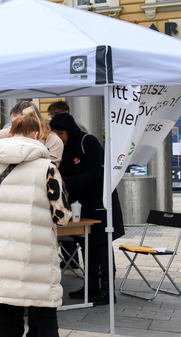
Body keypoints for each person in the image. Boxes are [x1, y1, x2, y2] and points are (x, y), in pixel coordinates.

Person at [0, 107, 72, 337]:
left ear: (8, 133)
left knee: (5, 320)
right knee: (45, 318)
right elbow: (62, 217)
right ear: (36, 135)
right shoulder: (48, 168)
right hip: (36, 253)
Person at [50, 112, 125, 306]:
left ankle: (108, 291)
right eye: (54, 134)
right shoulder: (61, 149)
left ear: (70, 130)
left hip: (100, 204)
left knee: (101, 245)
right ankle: (91, 287)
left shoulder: (88, 142)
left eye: (61, 133)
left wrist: (65, 183)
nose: (58, 137)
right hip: (79, 206)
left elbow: (94, 172)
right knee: (86, 244)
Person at [0, 100, 63, 164]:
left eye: (16, 123)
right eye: (14, 124)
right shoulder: (54, 140)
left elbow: (49, 169)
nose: (17, 126)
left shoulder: (53, 140)